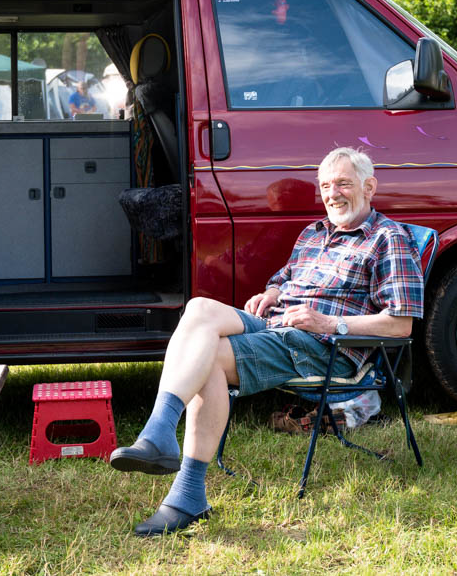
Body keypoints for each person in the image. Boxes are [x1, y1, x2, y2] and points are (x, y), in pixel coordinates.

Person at [108, 147, 424, 536]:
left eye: (343, 183)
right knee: (199, 308)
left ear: (369, 187)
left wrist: (328, 321)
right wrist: (272, 293)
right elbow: (286, 277)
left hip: (325, 347)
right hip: (277, 325)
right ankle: (159, 435)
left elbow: (401, 324)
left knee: (209, 356)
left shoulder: (389, 239)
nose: (333, 194)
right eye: (326, 185)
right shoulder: (314, 233)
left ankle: (185, 491)